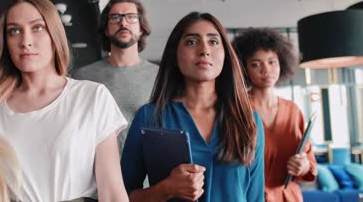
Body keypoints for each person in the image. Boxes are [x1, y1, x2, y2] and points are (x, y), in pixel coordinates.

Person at [0, 0, 129, 202]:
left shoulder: (91, 97)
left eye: (37, 28)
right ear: (6, 42)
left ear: (54, 35)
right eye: (14, 31)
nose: (26, 41)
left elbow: (113, 193)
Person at [121, 12, 265, 202]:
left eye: (213, 42)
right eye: (191, 42)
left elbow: (255, 198)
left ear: (225, 54)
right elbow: (120, 196)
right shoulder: (149, 117)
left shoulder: (249, 120)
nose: (204, 50)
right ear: (175, 53)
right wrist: (165, 189)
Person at [232, 28, 317, 202]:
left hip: (288, 196)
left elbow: (308, 161)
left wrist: (303, 166)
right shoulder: (235, 109)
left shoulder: (293, 110)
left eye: (272, 62)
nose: (266, 70)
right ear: (243, 69)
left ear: (281, 63)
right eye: (256, 64)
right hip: (247, 196)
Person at [73, 0, 158, 152]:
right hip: (95, 173)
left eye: (131, 17)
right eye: (115, 18)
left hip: (147, 175)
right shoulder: (82, 76)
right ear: (106, 29)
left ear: (141, 28)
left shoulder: (160, 77)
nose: (123, 22)